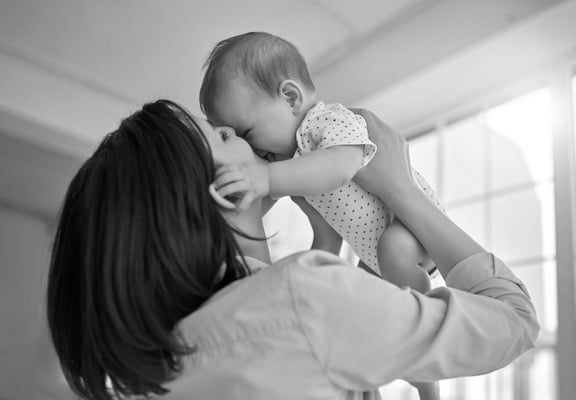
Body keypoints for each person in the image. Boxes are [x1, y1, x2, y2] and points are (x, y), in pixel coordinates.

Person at [46, 99, 539, 400]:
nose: (240, 134)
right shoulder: (303, 297)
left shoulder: (163, 366)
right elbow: (513, 321)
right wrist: (401, 190)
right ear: (221, 191)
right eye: (221, 136)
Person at [200, 32, 444, 299]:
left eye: (246, 133)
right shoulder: (285, 160)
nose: (249, 147)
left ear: (291, 98)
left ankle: (428, 310)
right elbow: (256, 206)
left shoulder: (325, 121)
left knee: (393, 252)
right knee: (362, 292)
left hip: (408, 225)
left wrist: (266, 178)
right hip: (373, 252)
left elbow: (342, 165)